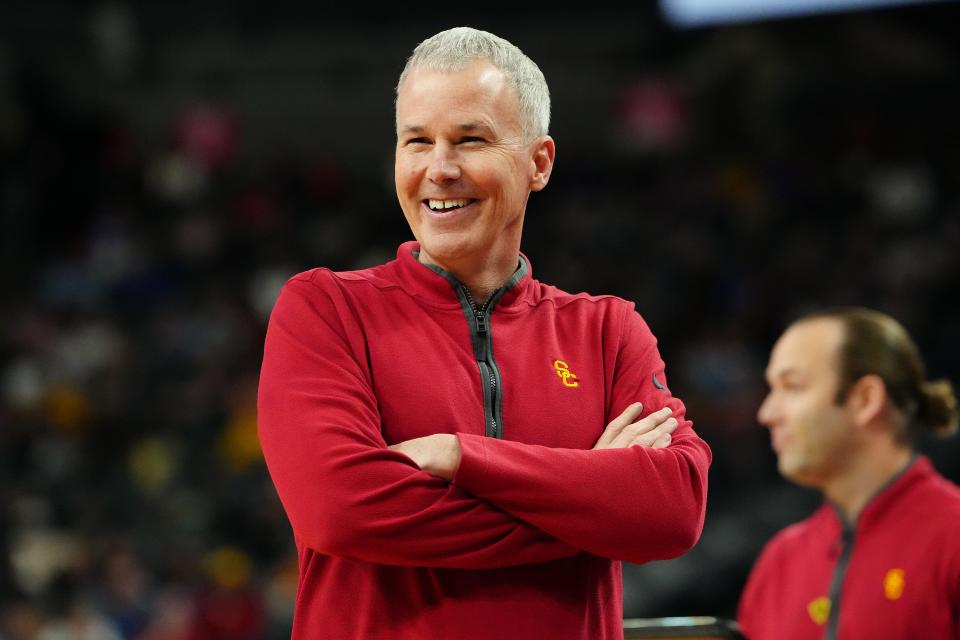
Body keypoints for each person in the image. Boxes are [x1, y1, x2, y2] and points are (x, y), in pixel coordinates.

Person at [257, 27, 711, 640]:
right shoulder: (326, 309)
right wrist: (588, 497)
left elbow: (673, 510)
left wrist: (459, 455)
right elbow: (338, 512)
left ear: (539, 163)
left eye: (470, 140)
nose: (439, 170)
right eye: (417, 141)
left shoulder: (607, 329)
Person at [738, 308, 960, 640]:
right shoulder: (779, 562)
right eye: (772, 389)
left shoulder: (952, 536)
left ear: (865, 400)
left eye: (792, 387)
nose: (767, 413)